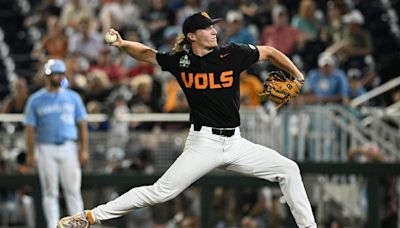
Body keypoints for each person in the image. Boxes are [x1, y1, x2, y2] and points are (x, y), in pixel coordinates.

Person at [58, 12, 317, 228]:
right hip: (203, 143)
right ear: (192, 36)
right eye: (206, 28)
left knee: (289, 169)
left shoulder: (232, 54)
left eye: (213, 27)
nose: (214, 31)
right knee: (160, 192)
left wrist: (296, 74)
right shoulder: (182, 61)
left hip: (236, 142)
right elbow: (148, 54)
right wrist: (123, 44)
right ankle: (89, 217)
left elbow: (270, 52)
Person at [24, 59, 89, 228]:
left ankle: (79, 225)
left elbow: (82, 125)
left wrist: (84, 150)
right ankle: (53, 225)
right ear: (48, 76)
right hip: (46, 147)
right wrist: (31, 153)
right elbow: (30, 128)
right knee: (49, 191)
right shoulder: (36, 99)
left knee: (73, 190)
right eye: (56, 74)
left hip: (69, 146)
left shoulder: (73, 97)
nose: (60, 77)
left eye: (61, 74)